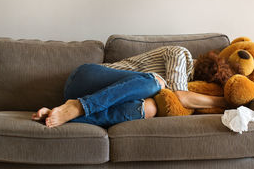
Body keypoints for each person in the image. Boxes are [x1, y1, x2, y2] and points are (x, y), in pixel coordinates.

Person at [32, 46, 226, 128]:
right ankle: (79, 106)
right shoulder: (180, 54)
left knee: (149, 108)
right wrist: (225, 101)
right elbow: (181, 96)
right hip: (85, 79)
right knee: (155, 82)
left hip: (97, 98)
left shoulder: (186, 84)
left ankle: (59, 114)